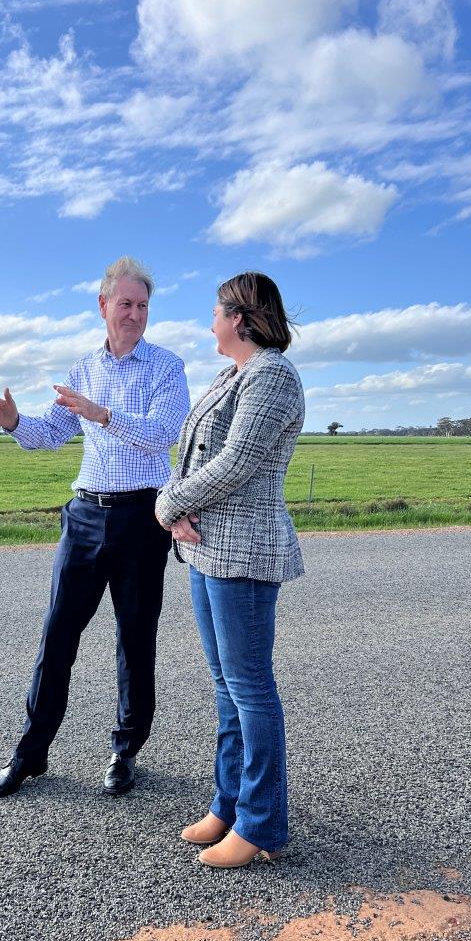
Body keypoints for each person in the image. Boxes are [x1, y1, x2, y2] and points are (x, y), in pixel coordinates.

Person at [0, 257, 190, 799]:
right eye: (125, 304)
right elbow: (53, 431)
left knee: (135, 638)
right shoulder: (83, 368)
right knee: (57, 635)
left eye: (142, 306)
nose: (135, 314)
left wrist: (102, 413)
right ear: (103, 306)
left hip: (142, 515)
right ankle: (29, 754)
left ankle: (125, 751)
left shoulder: (166, 367)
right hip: (85, 515)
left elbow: (164, 434)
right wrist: (17, 424)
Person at [155, 272, 304, 869]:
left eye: (215, 312)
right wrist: (177, 503)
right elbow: (192, 451)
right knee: (226, 687)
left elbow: (236, 463)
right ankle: (230, 804)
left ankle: (262, 824)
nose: (209, 323)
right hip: (207, 548)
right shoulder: (233, 375)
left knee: (250, 689)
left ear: (239, 318)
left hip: (243, 553)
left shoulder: (271, 376)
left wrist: (168, 505)